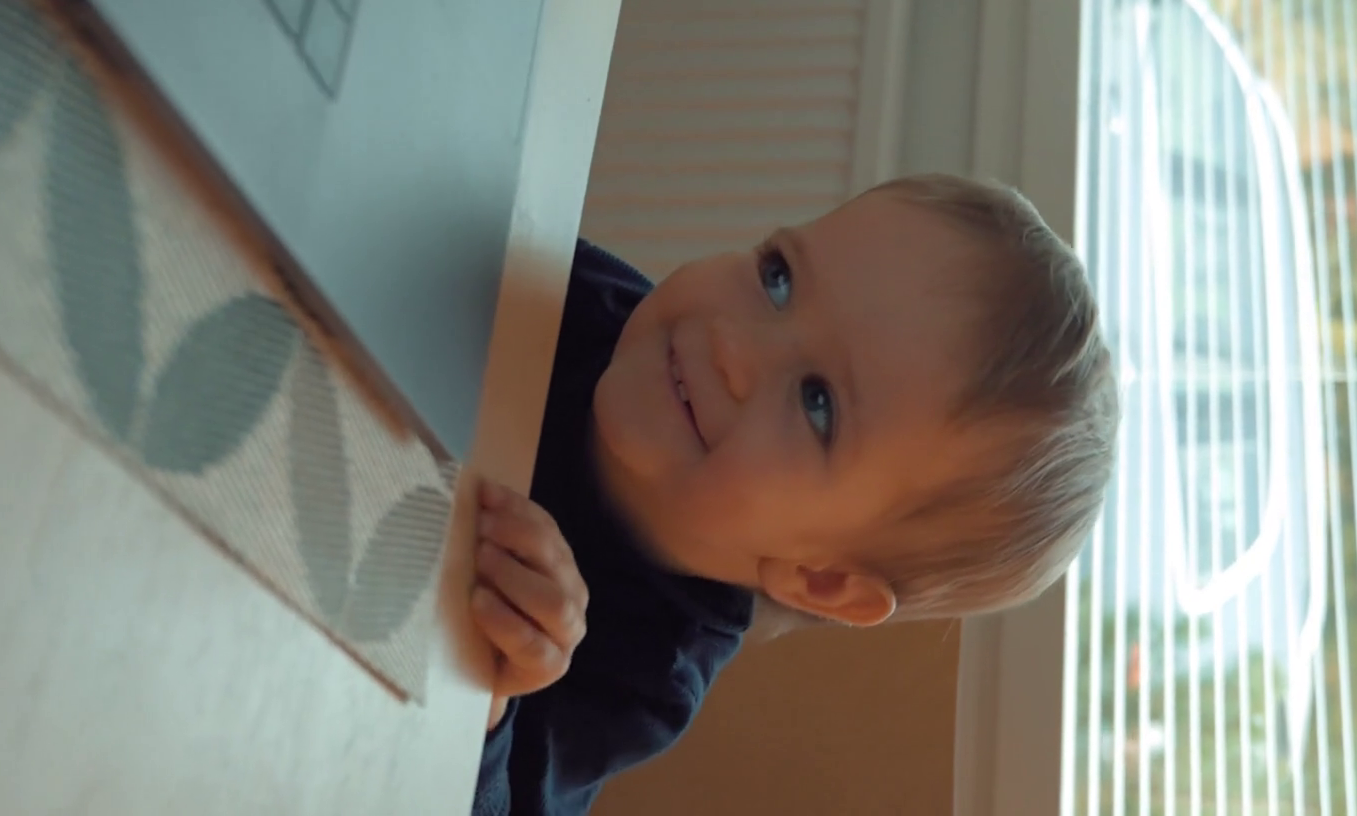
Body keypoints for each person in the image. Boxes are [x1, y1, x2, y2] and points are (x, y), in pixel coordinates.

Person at [468, 173, 1118, 816]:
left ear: (820, 578)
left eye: (818, 403)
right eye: (778, 278)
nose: (731, 343)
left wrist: (486, 708)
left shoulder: (644, 674)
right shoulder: (578, 296)